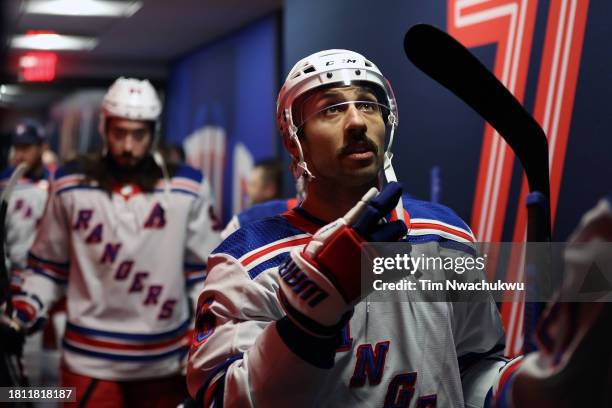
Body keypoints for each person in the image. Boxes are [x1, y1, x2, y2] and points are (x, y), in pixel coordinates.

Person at [187, 49, 505, 407]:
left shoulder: (446, 234)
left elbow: (473, 364)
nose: (357, 122)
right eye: (331, 108)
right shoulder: (245, 261)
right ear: (295, 140)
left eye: (368, 105)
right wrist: (307, 321)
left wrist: (515, 387)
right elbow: (219, 398)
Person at [7, 77, 221, 406]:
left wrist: (206, 337)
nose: (128, 145)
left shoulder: (187, 186)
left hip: (165, 360)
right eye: (119, 132)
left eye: (138, 134)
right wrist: (21, 314)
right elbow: (48, 267)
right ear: (104, 127)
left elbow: (203, 275)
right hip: (88, 361)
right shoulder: (69, 183)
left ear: (154, 132)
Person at [1, 119, 52, 281]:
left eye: (26, 147)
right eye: (17, 148)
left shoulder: (56, 182)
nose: (20, 154)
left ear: (43, 147)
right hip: (13, 274)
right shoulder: (4, 183)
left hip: (48, 274)